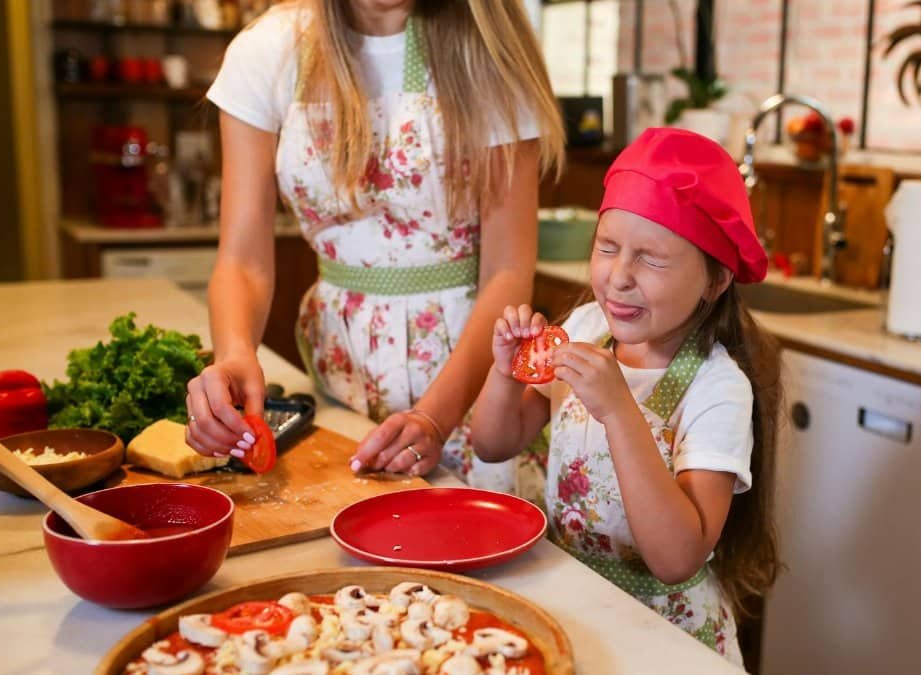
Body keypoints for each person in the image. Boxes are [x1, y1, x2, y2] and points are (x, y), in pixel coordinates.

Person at [184, 0, 563, 494]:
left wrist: (433, 415)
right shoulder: (270, 51)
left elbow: (507, 272)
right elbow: (243, 261)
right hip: (338, 368)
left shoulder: (487, 50)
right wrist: (235, 355)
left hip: (469, 380)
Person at [469, 127, 782, 664]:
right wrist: (504, 373)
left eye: (652, 259)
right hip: (574, 602)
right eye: (607, 248)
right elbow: (493, 444)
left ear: (716, 280)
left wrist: (618, 410)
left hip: (663, 635)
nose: (618, 277)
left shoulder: (717, 389)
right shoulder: (588, 327)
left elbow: (676, 557)